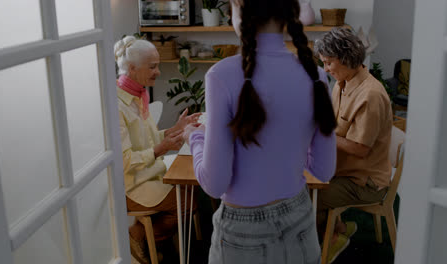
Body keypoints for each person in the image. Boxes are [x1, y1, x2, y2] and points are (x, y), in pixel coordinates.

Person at [182, 0, 337, 263]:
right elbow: (324, 169)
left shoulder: (221, 76)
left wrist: (195, 136)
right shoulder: (316, 75)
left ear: (238, 8)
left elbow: (214, 183)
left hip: (244, 235)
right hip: (300, 218)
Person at [114, 36, 201, 264]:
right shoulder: (117, 105)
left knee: (191, 193)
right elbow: (124, 161)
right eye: (153, 66)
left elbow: (149, 140)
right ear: (132, 68)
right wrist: (162, 148)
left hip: (149, 173)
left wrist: (175, 129)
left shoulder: (138, 94)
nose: (158, 72)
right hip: (130, 185)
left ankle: (147, 238)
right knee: (187, 202)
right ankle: (140, 237)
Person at [314, 28, 393, 263]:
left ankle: (333, 237)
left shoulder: (371, 95)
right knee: (304, 175)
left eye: (329, 63)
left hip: (365, 182)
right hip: (345, 170)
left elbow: (360, 149)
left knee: (306, 193)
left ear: (346, 58)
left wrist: (320, 134)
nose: (326, 69)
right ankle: (337, 227)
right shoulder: (343, 82)